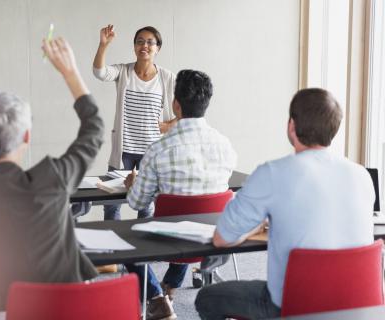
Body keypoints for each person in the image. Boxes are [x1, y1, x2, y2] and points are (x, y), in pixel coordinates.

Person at [0, 37, 104, 312]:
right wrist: (70, 73)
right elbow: (95, 129)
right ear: (27, 136)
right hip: (65, 309)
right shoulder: (54, 175)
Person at [195, 88, 375, 320]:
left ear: (291, 126)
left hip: (294, 306)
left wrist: (255, 226)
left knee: (207, 298)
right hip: (357, 307)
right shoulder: (361, 175)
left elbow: (222, 238)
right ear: (334, 129)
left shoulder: (272, 173)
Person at [124, 69, 237, 320]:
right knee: (188, 221)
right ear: (207, 104)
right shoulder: (225, 146)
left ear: (176, 105)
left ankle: (156, 298)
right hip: (216, 241)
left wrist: (133, 183)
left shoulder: (158, 149)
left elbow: (137, 202)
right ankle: (169, 288)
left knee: (127, 238)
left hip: (172, 241)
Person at [93, 24, 177, 220]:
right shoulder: (124, 72)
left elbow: (187, 110)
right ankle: (111, 248)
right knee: (112, 204)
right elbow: (99, 72)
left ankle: (143, 249)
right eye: (140, 42)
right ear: (134, 47)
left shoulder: (167, 77)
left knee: (146, 206)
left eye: (150, 42)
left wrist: (168, 125)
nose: (144, 46)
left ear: (158, 48)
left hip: (151, 153)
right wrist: (103, 45)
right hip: (123, 152)